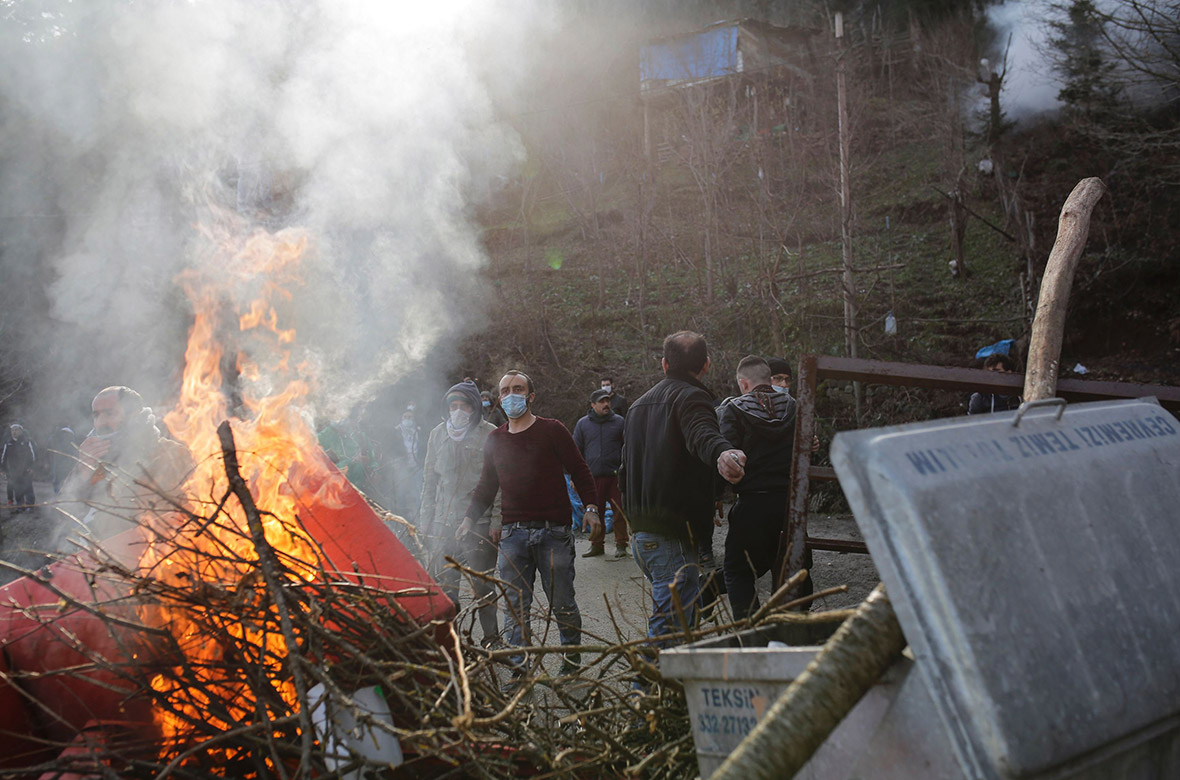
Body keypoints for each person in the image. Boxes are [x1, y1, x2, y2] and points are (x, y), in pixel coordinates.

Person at [464, 370, 600, 676]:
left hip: (554, 532)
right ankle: (520, 670)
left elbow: (579, 470)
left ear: (530, 396)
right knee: (515, 609)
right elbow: (487, 485)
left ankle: (571, 663)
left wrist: (591, 507)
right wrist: (469, 518)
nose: (511, 394)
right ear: (499, 399)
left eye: (518, 389)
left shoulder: (553, 430)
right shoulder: (495, 439)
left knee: (562, 603)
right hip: (512, 536)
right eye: (505, 390)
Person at [620, 331, 746, 649]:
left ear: (664, 364)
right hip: (671, 539)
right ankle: (643, 693)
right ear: (705, 365)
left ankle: (673, 695)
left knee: (680, 630)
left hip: (642, 538)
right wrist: (722, 453)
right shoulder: (692, 398)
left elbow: (624, 472)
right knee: (670, 632)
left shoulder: (636, 407)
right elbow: (702, 433)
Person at [419, 381, 501, 646]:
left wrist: (497, 520)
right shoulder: (436, 434)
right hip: (443, 523)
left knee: (483, 585)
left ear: (475, 407)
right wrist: (425, 520)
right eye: (453, 406)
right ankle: (451, 642)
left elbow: (500, 482)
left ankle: (491, 638)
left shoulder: (490, 433)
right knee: (445, 586)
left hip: (480, 522)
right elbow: (429, 481)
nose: (458, 411)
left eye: (463, 405)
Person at [717, 356, 799, 621]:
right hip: (791, 503)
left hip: (752, 504)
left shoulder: (734, 410)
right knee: (788, 567)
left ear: (743, 383)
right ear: (769, 379)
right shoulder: (794, 406)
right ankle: (792, 628)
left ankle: (750, 633)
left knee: (737, 571)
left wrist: (715, 495)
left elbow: (726, 458)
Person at [58, 386, 194, 540]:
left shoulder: (170, 454)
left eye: (110, 413)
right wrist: (83, 472)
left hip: (152, 555)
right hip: (99, 556)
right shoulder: (95, 459)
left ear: (134, 416)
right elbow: (65, 514)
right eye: (96, 415)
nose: (101, 422)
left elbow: (185, 513)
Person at [573, 388, 629, 558]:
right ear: (593, 405)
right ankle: (597, 545)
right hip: (592, 477)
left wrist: (626, 470)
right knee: (594, 512)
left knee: (619, 511)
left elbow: (628, 447)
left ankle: (621, 545)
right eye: (602, 402)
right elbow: (576, 451)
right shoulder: (583, 424)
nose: (606, 404)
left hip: (615, 476)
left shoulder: (619, 422)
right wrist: (575, 477)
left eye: (608, 401)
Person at [1, 424, 37, 511]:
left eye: (16, 430)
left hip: (26, 470)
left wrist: (32, 467)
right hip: (13, 470)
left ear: (21, 431)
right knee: (17, 489)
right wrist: (3, 470)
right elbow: (4, 457)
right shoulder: (8, 443)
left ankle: (30, 505)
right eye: (12, 430)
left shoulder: (27, 442)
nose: (14, 432)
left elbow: (33, 456)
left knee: (28, 488)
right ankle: (20, 506)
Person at [49, 426, 79, 495]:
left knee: (57, 480)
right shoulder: (71, 439)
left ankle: (58, 495)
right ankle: (66, 496)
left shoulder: (55, 438)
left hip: (57, 463)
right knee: (68, 480)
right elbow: (74, 452)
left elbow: (50, 451)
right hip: (68, 464)